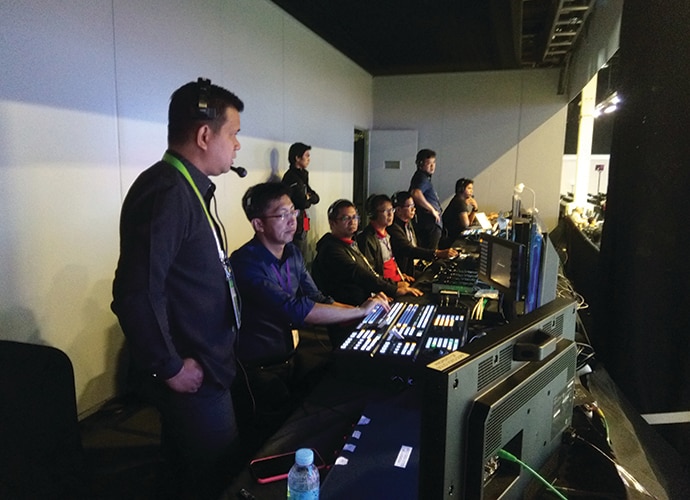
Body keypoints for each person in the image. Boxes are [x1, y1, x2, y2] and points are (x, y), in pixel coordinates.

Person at [111, 78, 244, 499]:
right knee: (214, 476)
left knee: (187, 469)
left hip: (208, 360)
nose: (237, 145)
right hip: (193, 371)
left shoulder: (186, 188)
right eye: (234, 133)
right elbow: (135, 292)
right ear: (206, 135)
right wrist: (169, 366)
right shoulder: (166, 191)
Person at [229, 182, 389, 437]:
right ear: (258, 224)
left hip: (289, 358)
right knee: (265, 437)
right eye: (282, 215)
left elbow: (316, 297)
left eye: (293, 212)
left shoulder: (292, 252)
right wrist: (359, 312)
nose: (292, 220)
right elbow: (295, 309)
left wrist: (367, 310)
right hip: (257, 370)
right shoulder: (245, 263)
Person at [312, 199, 423, 308]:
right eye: (346, 218)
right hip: (347, 311)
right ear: (332, 223)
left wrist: (392, 286)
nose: (352, 221)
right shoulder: (331, 249)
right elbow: (359, 273)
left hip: (364, 302)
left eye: (355, 217)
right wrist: (393, 290)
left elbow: (369, 271)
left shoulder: (351, 243)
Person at [388, 191, 458, 277]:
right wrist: (437, 253)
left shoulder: (409, 222)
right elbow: (409, 249)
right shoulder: (394, 228)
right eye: (410, 206)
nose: (414, 209)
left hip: (416, 265)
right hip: (406, 272)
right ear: (398, 210)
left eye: (414, 206)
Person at [356, 194, 411, 282]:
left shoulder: (387, 234)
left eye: (391, 210)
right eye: (386, 211)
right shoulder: (367, 239)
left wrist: (400, 275)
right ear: (373, 214)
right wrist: (396, 286)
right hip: (387, 288)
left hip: (397, 281)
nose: (390, 214)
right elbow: (371, 274)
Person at [281, 142, 320, 261]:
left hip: (304, 218)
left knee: (305, 245)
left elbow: (316, 198)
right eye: (306, 155)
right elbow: (302, 203)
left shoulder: (303, 175)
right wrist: (307, 198)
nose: (309, 159)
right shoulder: (291, 177)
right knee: (297, 249)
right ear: (297, 158)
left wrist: (308, 197)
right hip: (296, 219)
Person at [409, 148, 443, 249]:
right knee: (430, 254)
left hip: (431, 224)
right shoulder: (421, 178)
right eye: (429, 163)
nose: (432, 166)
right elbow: (415, 193)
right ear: (420, 164)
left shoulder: (424, 178)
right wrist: (432, 209)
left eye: (434, 163)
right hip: (429, 224)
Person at [440, 177, 479, 248]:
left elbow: (467, 222)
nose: (471, 191)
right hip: (450, 239)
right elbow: (466, 224)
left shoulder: (458, 200)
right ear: (461, 189)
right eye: (469, 188)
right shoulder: (459, 203)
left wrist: (474, 210)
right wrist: (474, 210)